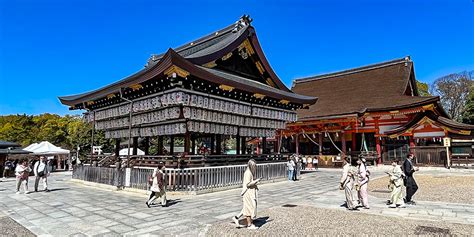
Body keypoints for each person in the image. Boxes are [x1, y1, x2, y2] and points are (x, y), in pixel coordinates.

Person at [232, 159, 260, 229]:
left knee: (246, 207)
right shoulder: (248, 173)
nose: (255, 167)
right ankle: (249, 224)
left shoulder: (249, 172)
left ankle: (236, 218)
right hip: (248, 192)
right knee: (249, 208)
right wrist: (256, 181)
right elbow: (248, 184)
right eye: (254, 166)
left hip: (249, 192)